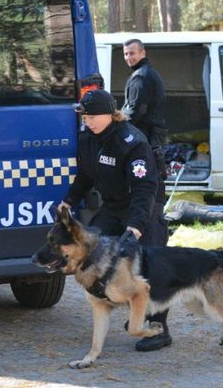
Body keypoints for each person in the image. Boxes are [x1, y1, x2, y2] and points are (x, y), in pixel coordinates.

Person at [59, 89, 172, 351]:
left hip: (144, 205)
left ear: (110, 115)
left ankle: (158, 329)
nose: (87, 121)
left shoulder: (132, 141)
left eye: (91, 117)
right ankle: (113, 303)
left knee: (151, 266)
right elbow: (86, 175)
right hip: (114, 205)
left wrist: (137, 224)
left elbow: (145, 187)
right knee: (92, 247)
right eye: (84, 117)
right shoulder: (88, 137)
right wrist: (69, 200)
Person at [122, 39, 172, 352]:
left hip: (151, 151)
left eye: (133, 52)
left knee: (152, 247)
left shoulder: (141, 78)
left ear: (143, 54)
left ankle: (158, 327)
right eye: (125, 53)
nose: (129, 57)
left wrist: (118, 120)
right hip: (152, 150)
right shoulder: (144, 74)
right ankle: (142, 320)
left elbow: (135, 111)